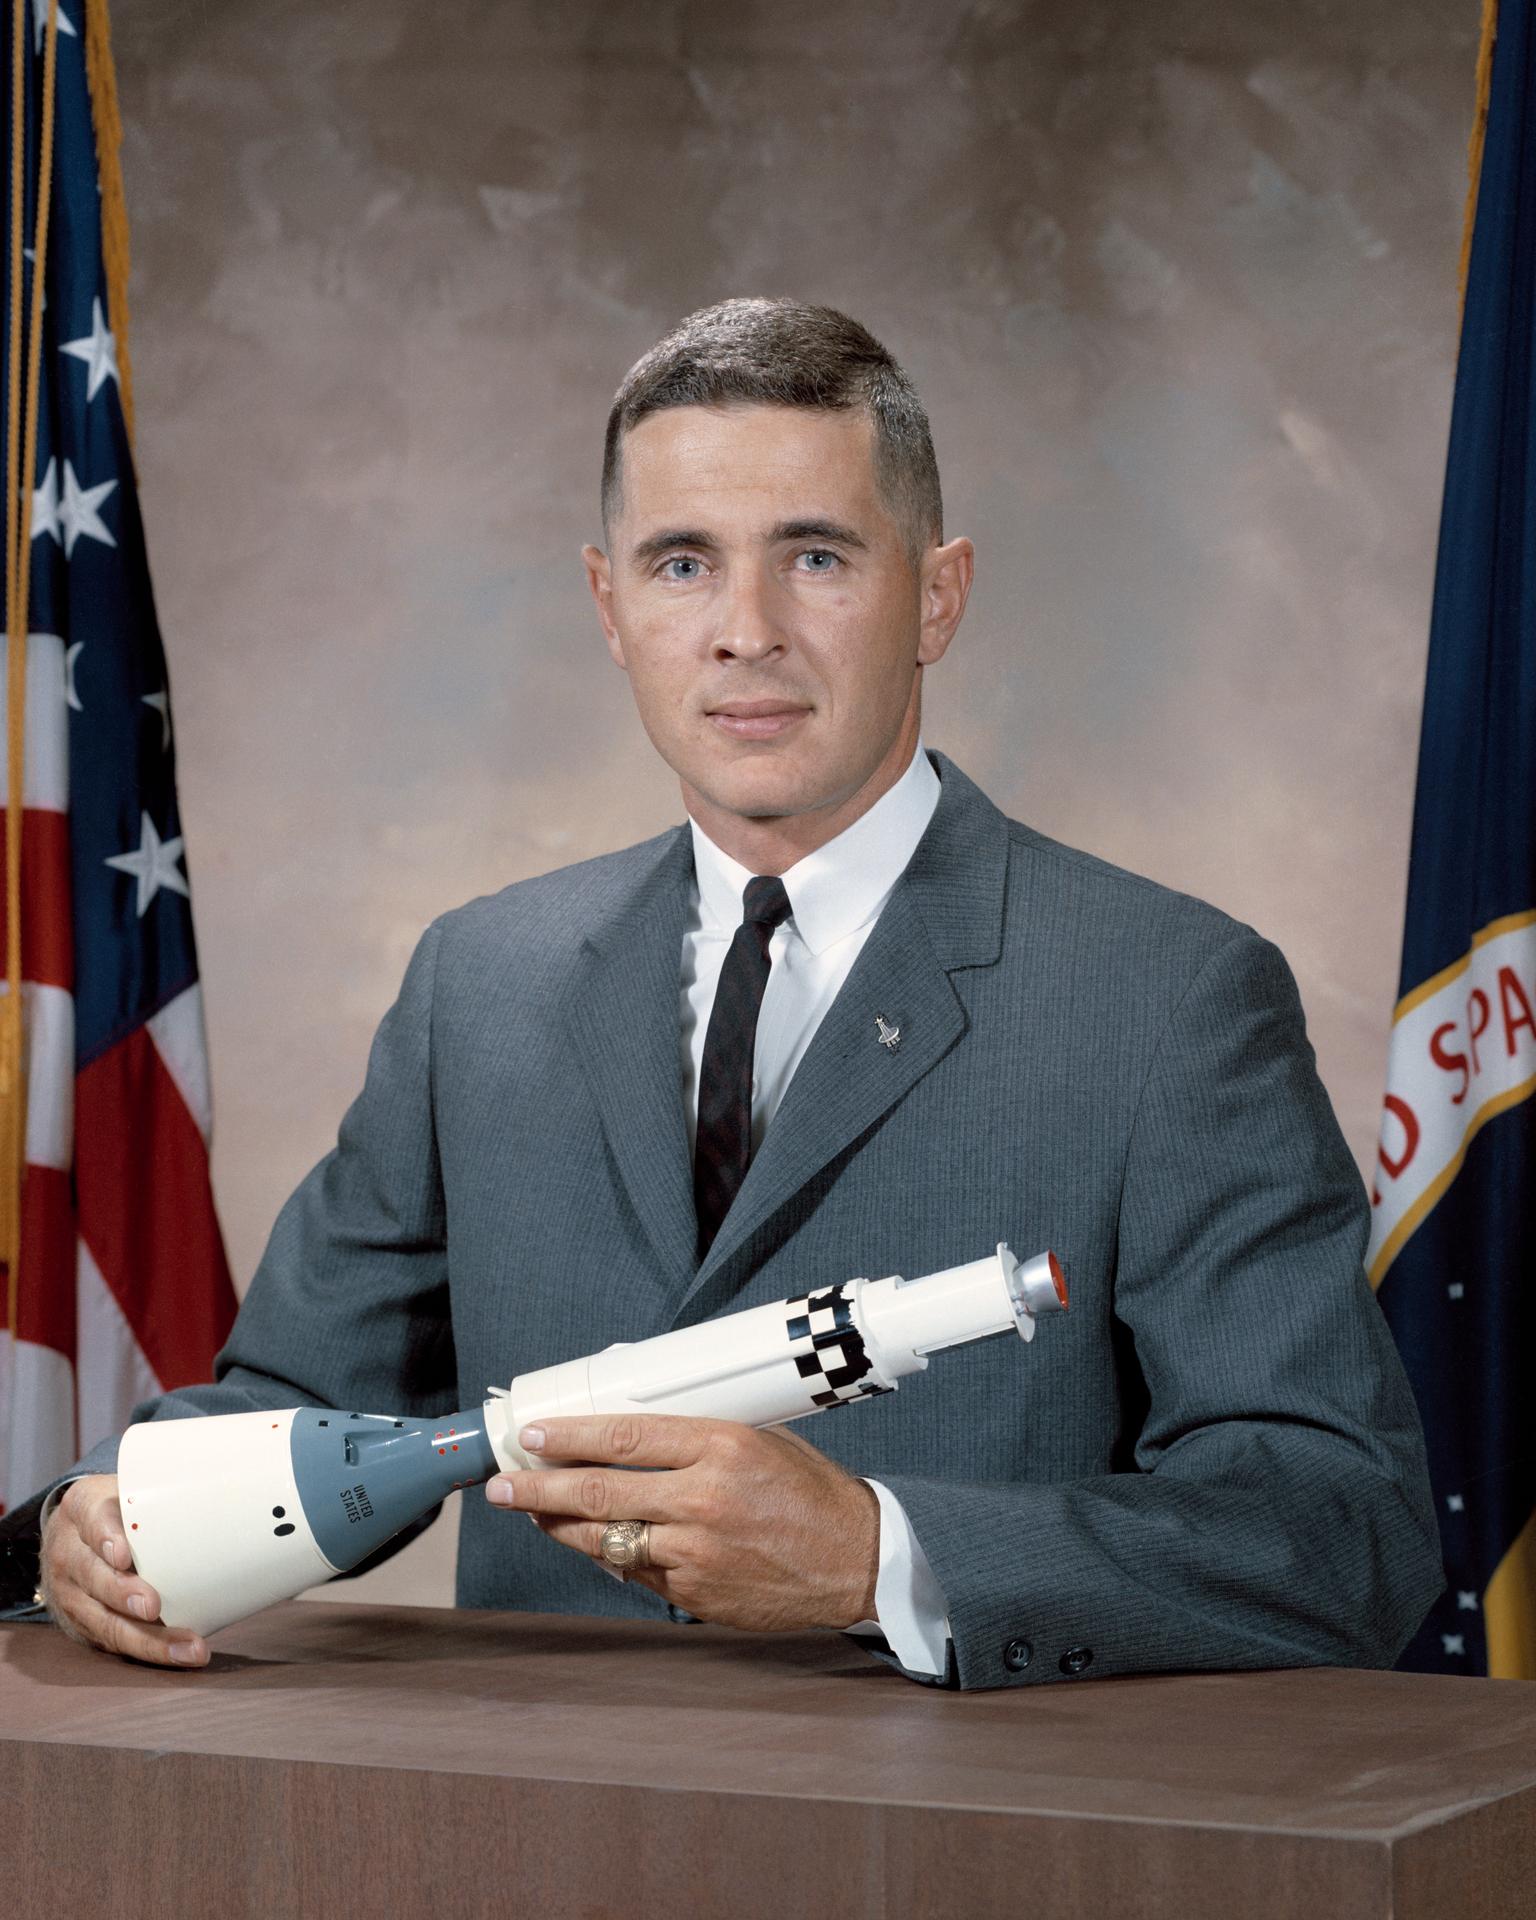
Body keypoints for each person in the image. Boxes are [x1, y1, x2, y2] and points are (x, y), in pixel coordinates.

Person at [0, 299, 1442, 1688]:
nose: (745, 628)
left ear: (937, 595)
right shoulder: (481, 982)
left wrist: (883, 1555)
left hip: (953, 1849)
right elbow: (295, 1410)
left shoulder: (1169, 998)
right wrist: (107, 1508)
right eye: (683, 562)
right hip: (521, 1843)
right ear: (609, 604)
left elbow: (1337, 1528)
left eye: (816, 557)